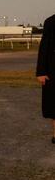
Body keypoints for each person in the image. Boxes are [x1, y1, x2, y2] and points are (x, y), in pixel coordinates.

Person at [36, 14, 55, 143]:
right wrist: (41, 72)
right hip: (53, 70)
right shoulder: (51, 22)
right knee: (54, 106)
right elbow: (44, 48)